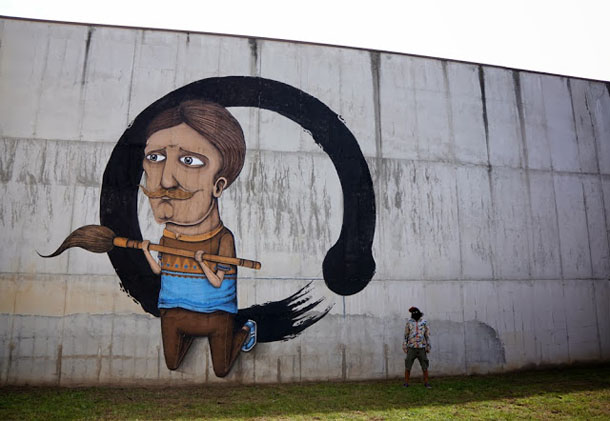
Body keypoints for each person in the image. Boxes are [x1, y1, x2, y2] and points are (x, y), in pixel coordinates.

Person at [140, 100, 256, 377]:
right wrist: (145, 251)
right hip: (173, 309)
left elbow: (217, 281)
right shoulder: (167, 235)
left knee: (221, 370)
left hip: (216, 314)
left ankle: (245, 330)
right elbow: (161, 269)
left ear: (219, 185)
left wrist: (202, 262)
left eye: (189, 160)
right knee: (172, 363)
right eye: (155, 158)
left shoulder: (223, 239)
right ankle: (188, 334)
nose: (165, 181)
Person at [402, 306, 431, 388]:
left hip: (422, 348)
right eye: (413, 313)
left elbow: (427, 335)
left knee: (425, 366)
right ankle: (406, 383)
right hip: (411, 348)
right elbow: (406, 335)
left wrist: (428, 346)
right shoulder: (409, 322)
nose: (414, 314)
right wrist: (404, 345)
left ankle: (426, 383)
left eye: (415, 313)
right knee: (408, 365)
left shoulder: (424, 322)